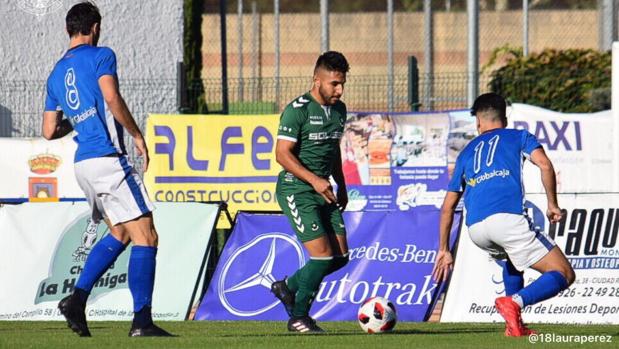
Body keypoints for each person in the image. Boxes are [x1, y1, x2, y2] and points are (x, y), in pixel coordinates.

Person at [42, 2, 171, 337]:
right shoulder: (102, 55)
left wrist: (80, 118)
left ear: (69, 29)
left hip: (83, 163)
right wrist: (137, 135)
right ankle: (142, 322)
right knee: (148, 236)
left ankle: (77, 300)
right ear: (95, 27)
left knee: (122, 233)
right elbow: (111, 97)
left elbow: (48, 130)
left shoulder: (55, 73)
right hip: (108, 160)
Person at [432, 93, 575, 337]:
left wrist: (444, 249)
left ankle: (514, 326)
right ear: (504, 118)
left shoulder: (466, 153)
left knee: (512, 260)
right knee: (564, 273)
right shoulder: (518, 136)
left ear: (478, 122)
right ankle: (515, 302)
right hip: (507, 220)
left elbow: (448, 206)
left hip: (476, 229)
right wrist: (552, 204)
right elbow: (545, 165)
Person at [270, 51, 351, 333]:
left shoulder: (339, 111)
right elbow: (282, 154)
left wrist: (341, 184)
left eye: (342, 83)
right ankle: (299, 317)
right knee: (322, 257)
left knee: (341, 257)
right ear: (317, 80)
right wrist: (315, 180)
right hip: (297, 189)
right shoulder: (298, 109)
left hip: (325, 190)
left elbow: (333, 150)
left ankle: (287, 286)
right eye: (334, 84)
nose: (339, 90)